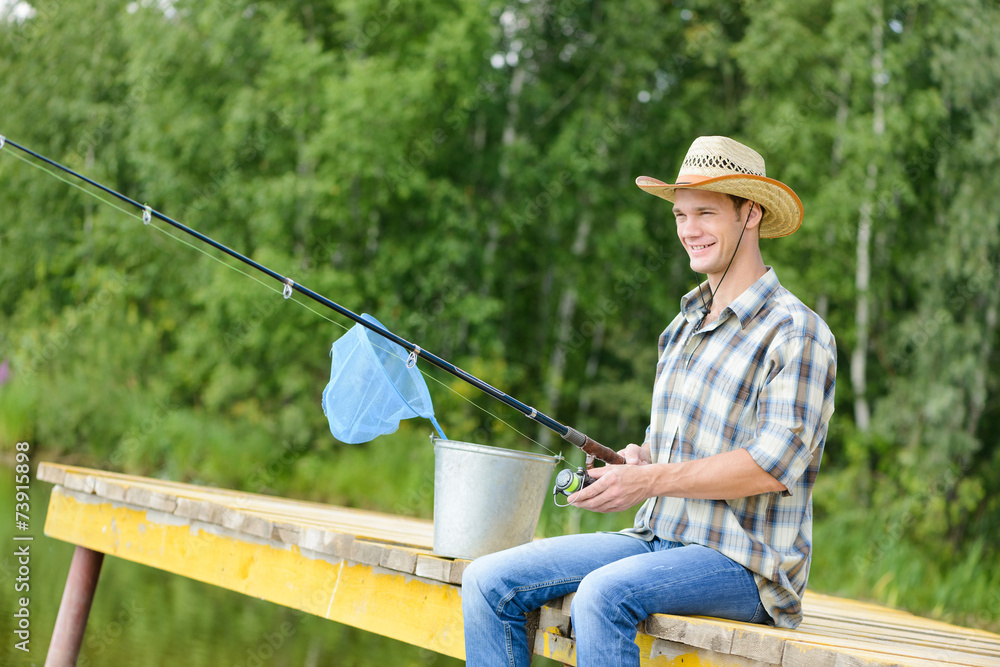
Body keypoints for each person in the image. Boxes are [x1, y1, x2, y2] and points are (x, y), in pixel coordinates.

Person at [461, 136, 838, 666]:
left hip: (746, 565)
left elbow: (770, 468)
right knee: (486, 578)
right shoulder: (680, 328)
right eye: (681, 215)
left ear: (750, 214)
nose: (688, 230)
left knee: (602, 596)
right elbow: (669, 458)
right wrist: (637, 461)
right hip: (657, 537)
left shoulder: (796, 332)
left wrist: (650, 479)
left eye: (705, 213)